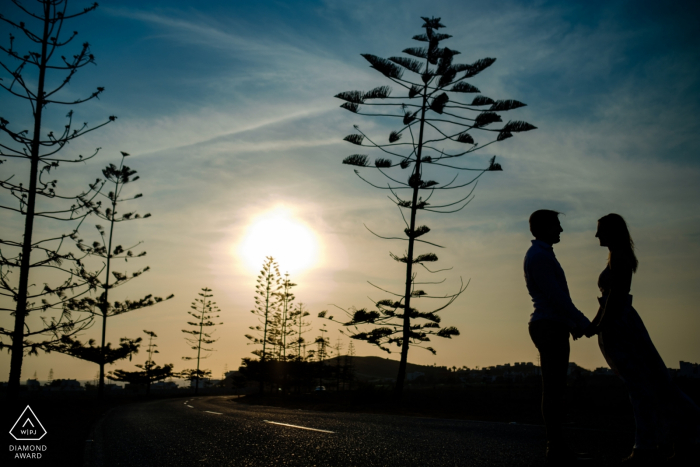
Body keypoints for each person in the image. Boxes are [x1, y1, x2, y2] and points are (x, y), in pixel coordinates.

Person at [584, 213, 700, 465]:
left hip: (622, 328)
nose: (596, 235)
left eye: (600, 230)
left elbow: (615, 300)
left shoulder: (621, 260)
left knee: (644, 388)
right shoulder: (617, 259)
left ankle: (649, 446)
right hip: (618, 324)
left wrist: (599, 325)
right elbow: (608, 299)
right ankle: (674, 441)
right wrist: (593, 325)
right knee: (649, 386)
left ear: (613, 232)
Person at [524, 209, 591, 464]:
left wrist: (573, 323)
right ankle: (556, 449)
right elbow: (557, 298)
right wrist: (581, 321)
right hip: (548, 326)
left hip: (552, 324)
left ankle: (558, 448)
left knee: (555, 389)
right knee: (553, 389)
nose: (561, 230)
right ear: (543, 228)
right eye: (557, 226)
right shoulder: (540, 256)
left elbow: (557, 299)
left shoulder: (542, 254)